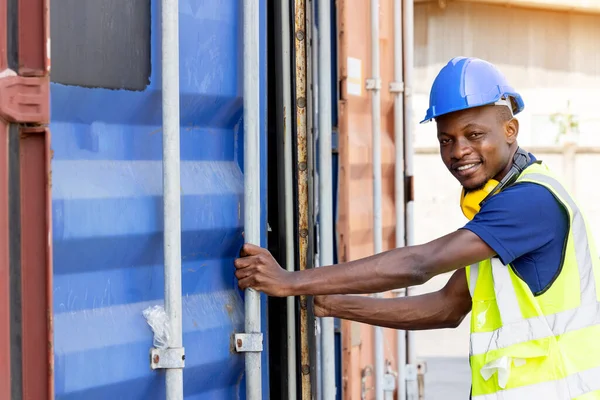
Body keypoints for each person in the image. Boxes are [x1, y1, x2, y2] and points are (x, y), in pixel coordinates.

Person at [234, 57, 600, 399]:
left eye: (474, 135)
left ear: (510, 130)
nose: (458, 151)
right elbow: (447, 307)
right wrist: (333, 304)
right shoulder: (502, 210)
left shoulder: (528, 202)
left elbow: (419, 265)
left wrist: (289, 281)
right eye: (446, 139)